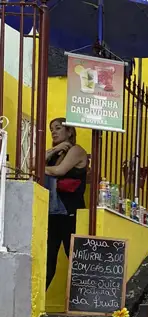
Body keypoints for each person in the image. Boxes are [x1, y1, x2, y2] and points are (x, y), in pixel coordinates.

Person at [44, 118, 88, 288]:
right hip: (53, 212)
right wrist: (52, 150)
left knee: (74, 257)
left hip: (70, 211)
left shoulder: (77, 150)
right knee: (48, 260)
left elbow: (59, 171)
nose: (54, 132)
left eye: (58, 128)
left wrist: (40, 168)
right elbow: (31, 164)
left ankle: (86, 300)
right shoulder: (55, 153)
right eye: (51, 129)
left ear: (69, 131)